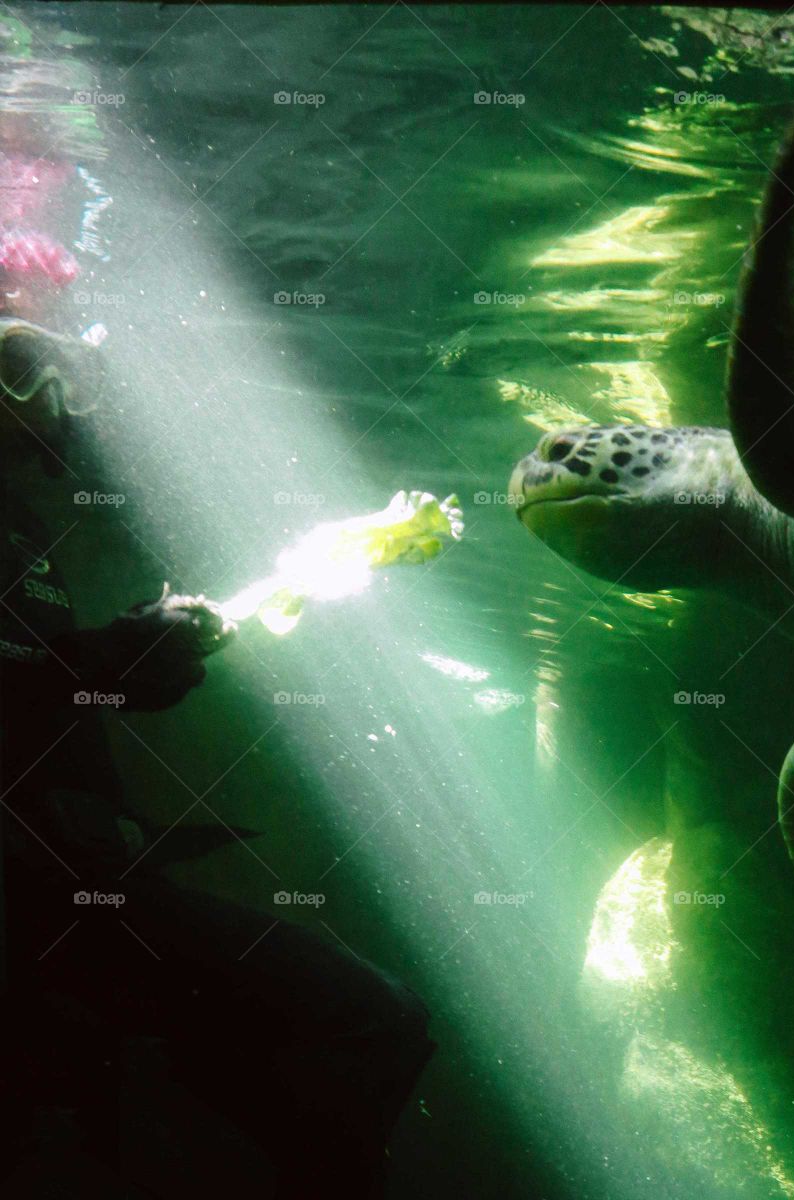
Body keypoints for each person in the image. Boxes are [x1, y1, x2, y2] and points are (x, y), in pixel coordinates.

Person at [0, 48, 434, 1200]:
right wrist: (95, 668)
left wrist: (121, 658)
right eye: (17, 372)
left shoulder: (19, 526)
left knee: (345, 1037)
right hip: (41, 913)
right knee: (367, 1027)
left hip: (61, 896)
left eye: (55, 371)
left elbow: (44, 698)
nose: (52, 407)